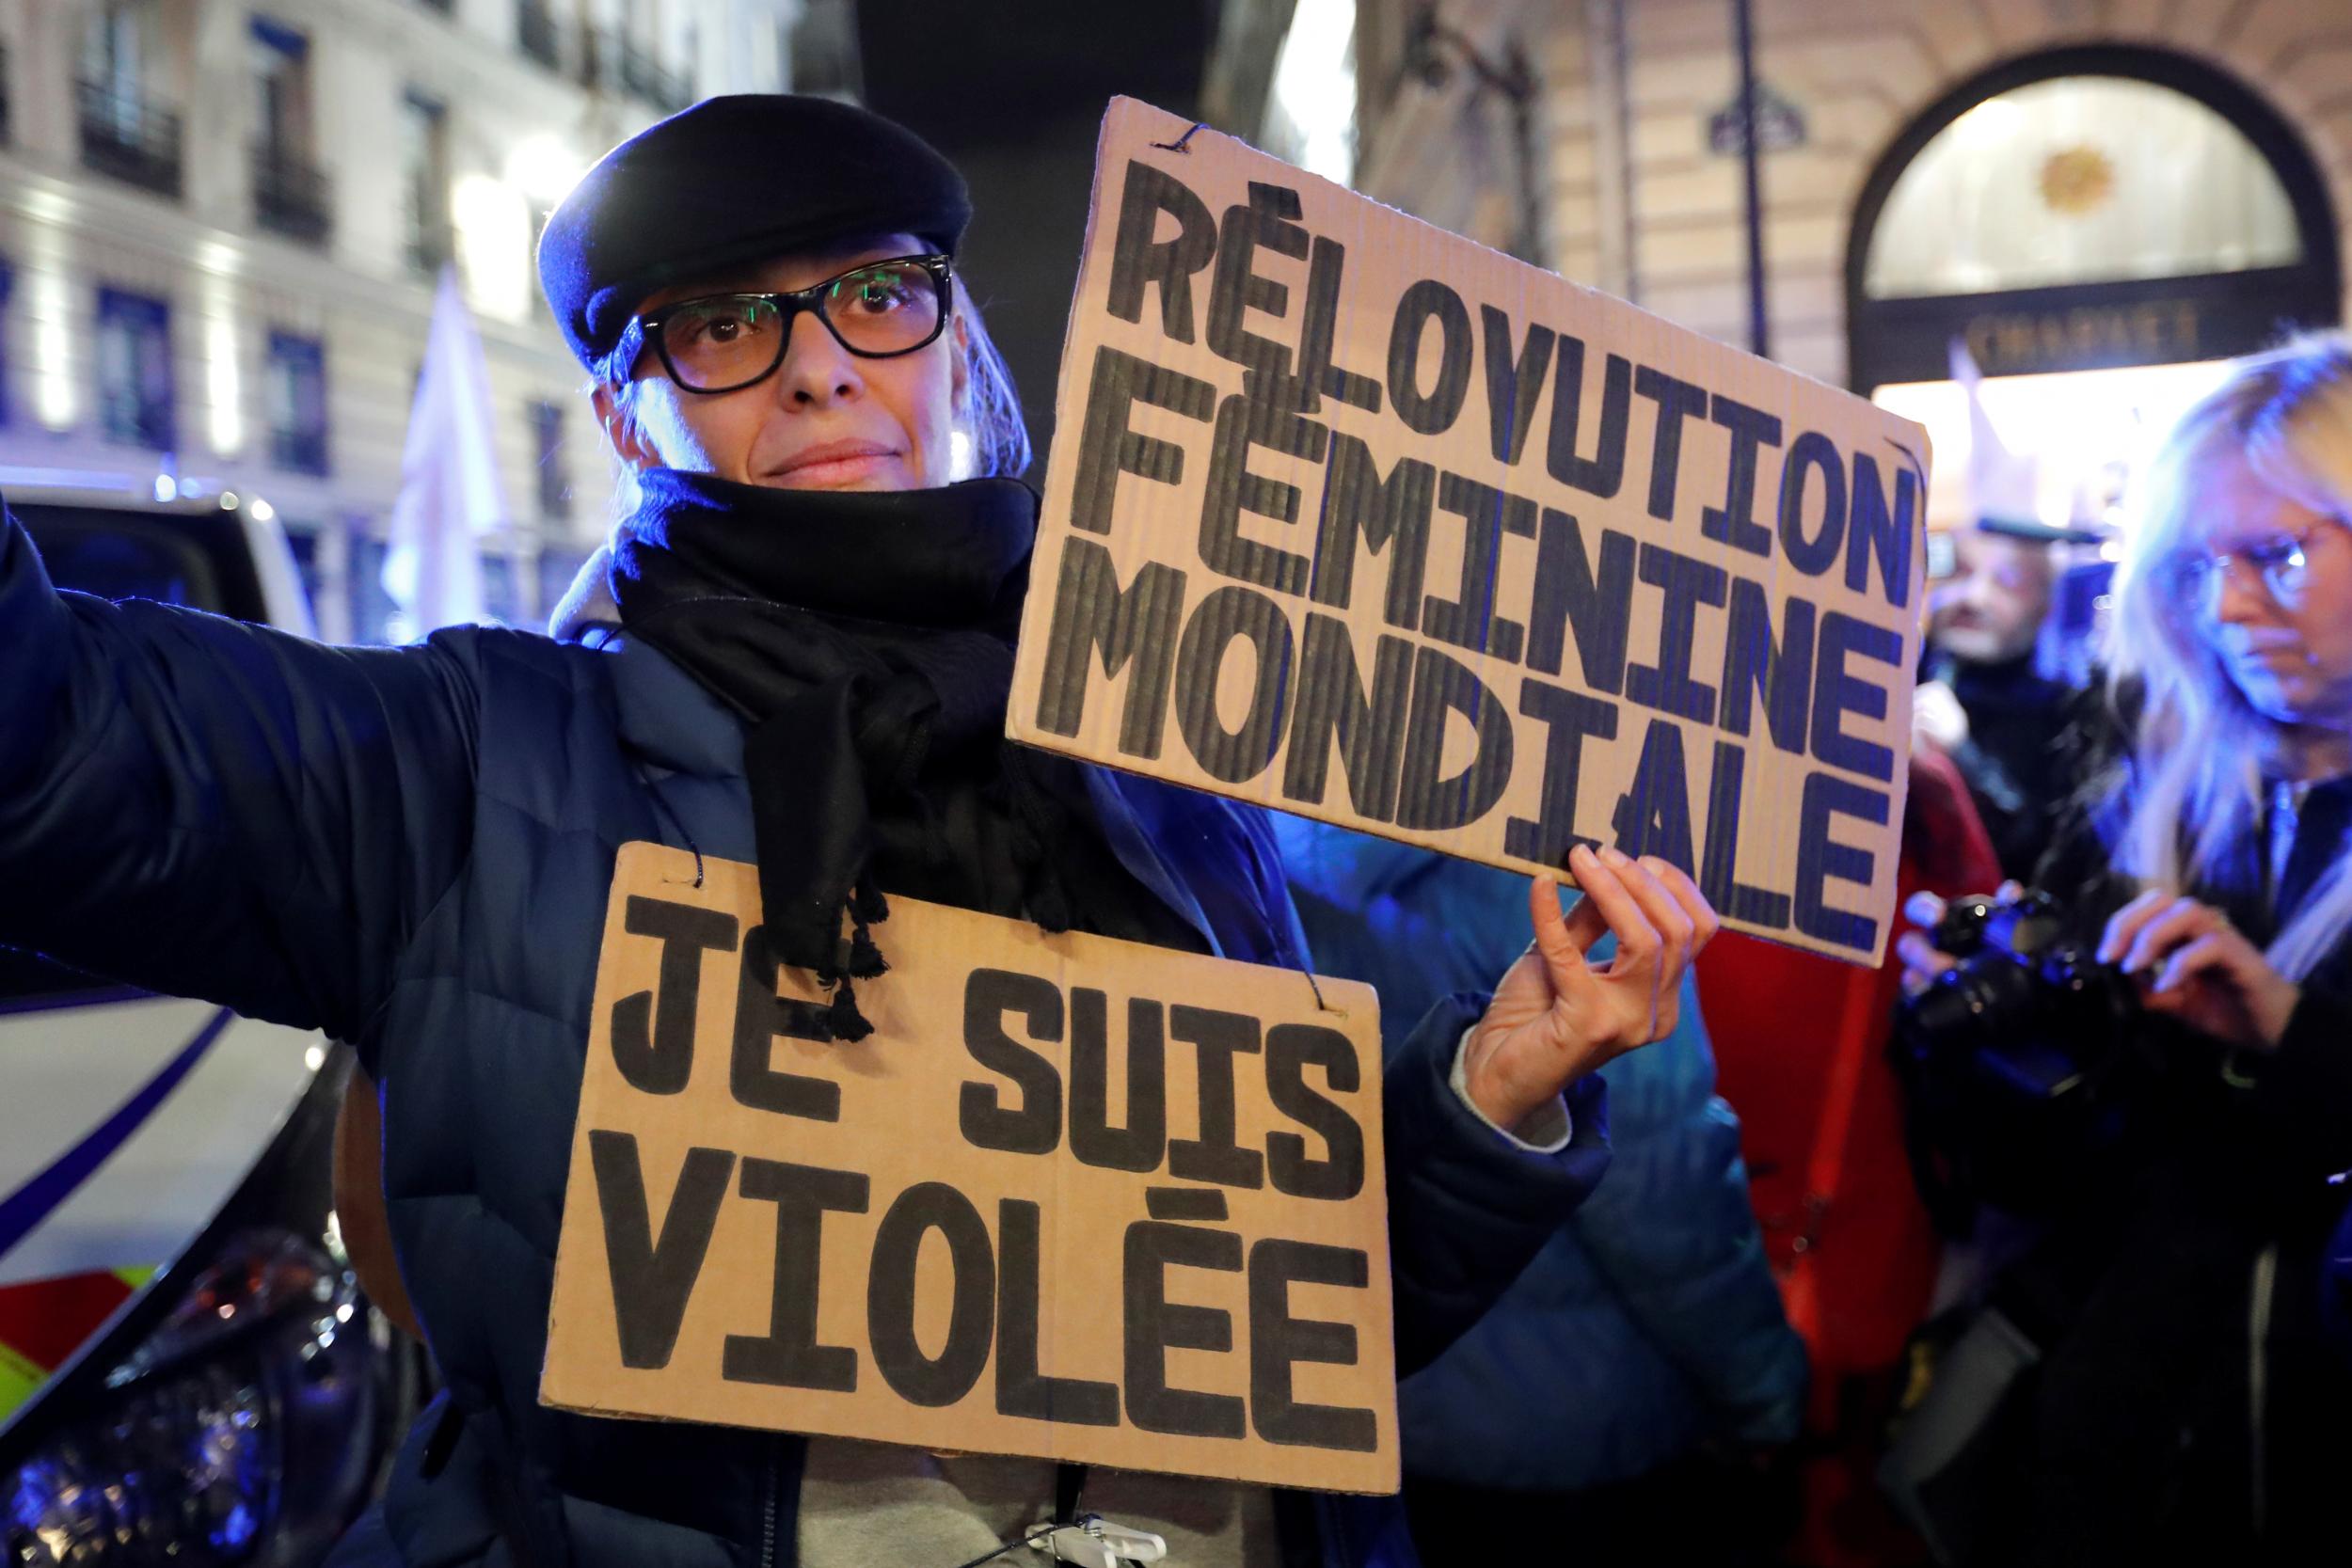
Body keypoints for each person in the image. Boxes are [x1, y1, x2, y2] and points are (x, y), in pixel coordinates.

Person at [0, 97, 1722, 1568]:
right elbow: (49, 736)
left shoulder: (1154, 758)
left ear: (954, 343)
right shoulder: (466, 763)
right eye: (722, 326)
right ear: (624, 412)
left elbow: (1279, 1319)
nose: (821, 367)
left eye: (877, 295)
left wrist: (1495, 1087)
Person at [1897, 333, 2352, 1566]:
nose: (2233, 604)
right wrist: (1984, 1037)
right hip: (2115, 1464)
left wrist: (2292, 1038)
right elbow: (2043, 1179)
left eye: (2278, 553)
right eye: (2201, 564)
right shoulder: (2145, 802)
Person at [1275, 819, 1804, 1568]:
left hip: (1366, 1405)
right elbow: (1660, 1186)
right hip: (1580, 1426)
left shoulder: (1233, 840)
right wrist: (1769, 1393)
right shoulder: (1551, 867)